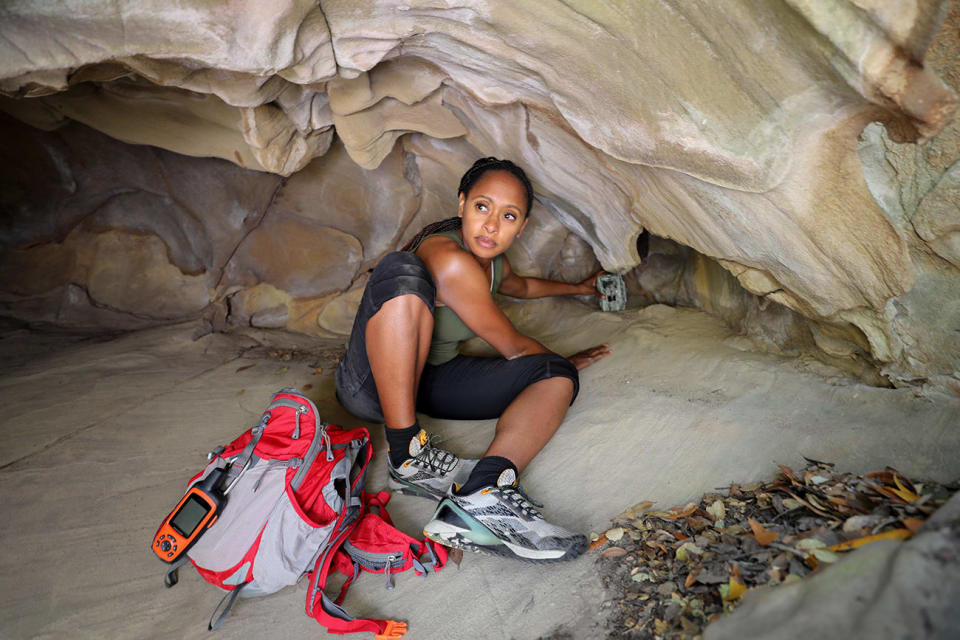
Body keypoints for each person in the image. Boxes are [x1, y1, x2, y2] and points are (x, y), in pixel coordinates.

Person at [335, 157, 611, 562]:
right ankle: (406, 452)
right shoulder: (450, 257)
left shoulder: (494, 263)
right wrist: (558, 358)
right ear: (461, 204)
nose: (492, 225)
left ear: (521, 226)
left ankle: (485, 493)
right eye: (482, 206)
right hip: (370, 386)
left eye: (509, 215)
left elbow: (522, 286)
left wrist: (578, 290)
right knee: (403, 271)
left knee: (554, 375)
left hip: (429, 383)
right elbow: (514, 348)